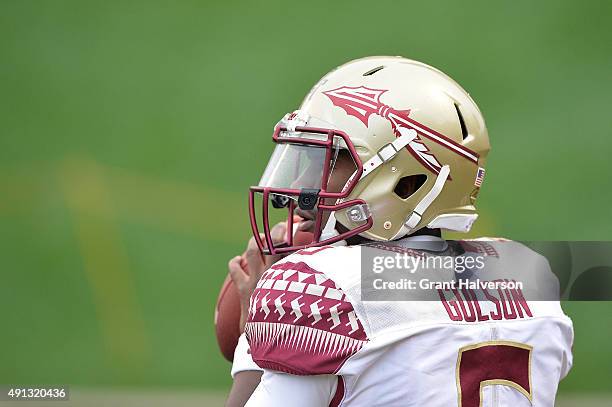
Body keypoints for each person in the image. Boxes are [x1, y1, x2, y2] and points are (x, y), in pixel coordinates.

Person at [225, 56, 573, 406]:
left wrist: (252, 339)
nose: (301, 186)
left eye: (331, 160)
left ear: (408, 183)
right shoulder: (529, 276)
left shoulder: (326, 288)